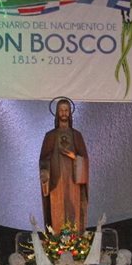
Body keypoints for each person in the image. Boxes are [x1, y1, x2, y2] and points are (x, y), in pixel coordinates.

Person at [39, 97, 89, 232]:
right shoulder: (50, 136)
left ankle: (75, 241)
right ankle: (57, 241)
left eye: (66, 110)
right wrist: (45, 171)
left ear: (70, 113)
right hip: (56, 181)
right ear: (57, 113)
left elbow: (84, 159)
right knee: (57, 211)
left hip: (73, 182)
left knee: (73, 210)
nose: (64, 113)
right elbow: (43, 158)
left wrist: (73, 156)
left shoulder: (76, 135)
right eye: (61, 110)